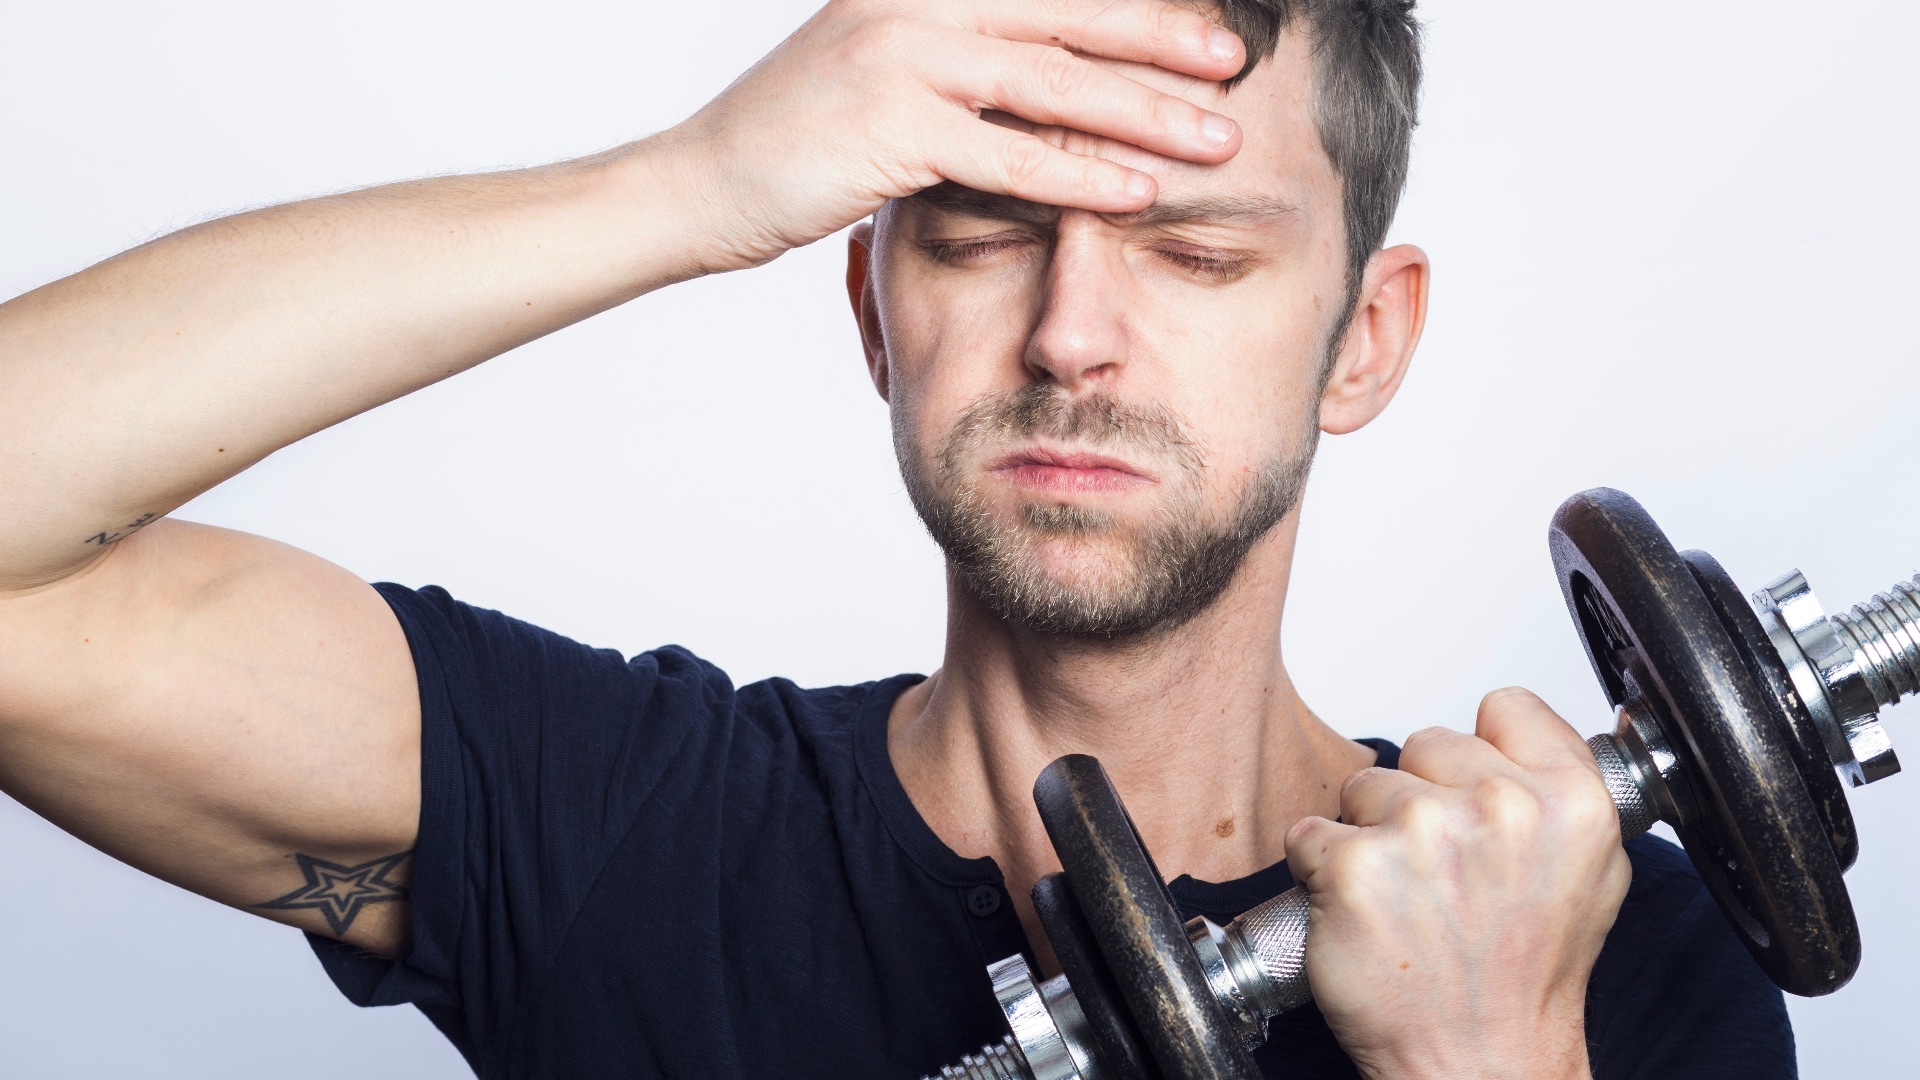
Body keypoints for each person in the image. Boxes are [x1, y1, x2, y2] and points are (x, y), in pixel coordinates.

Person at [0, 0, 1795, 1076]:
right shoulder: (625, 828)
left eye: (1197, 255)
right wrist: (689, 183)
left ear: (1366, 340)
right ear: (872, 306)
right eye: (980, 235)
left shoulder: (1603, 953)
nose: (1073, 335)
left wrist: (1490, 1062)